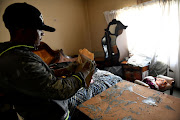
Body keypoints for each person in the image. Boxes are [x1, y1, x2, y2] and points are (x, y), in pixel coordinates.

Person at [0, 2, 95, 120]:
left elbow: (36, 80)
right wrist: (84, 73)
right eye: (39, 29)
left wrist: (61, 71)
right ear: (22, 31)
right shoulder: (20, 60)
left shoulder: (15, 54)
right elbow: (60, 91)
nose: (42, 33)